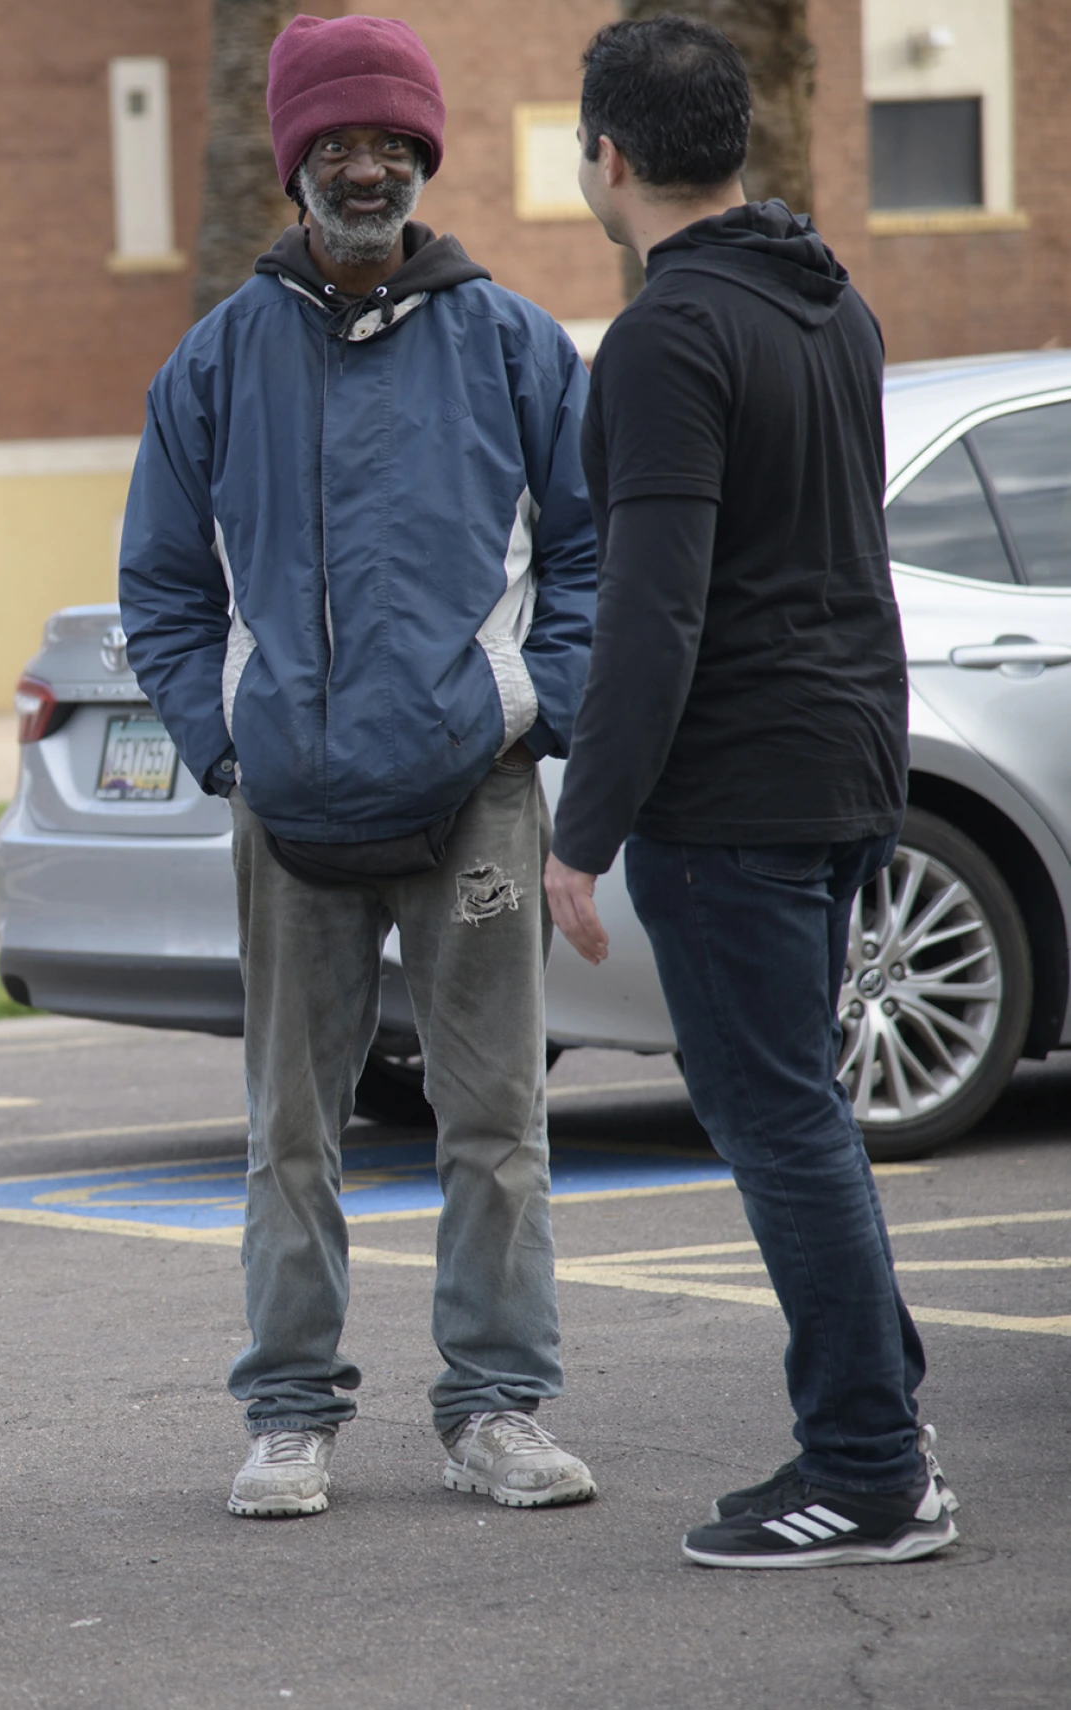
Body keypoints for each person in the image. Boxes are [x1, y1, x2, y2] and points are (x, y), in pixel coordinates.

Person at [120, 13, 598, 1518]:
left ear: (426, 156)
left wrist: (524, 705)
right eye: (336, 141)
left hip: (475, 798)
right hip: (292, 813)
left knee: (497, 1122)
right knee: (290, 1132)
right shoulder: (214, 361)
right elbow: (162, 590)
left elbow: (593, 555)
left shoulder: (514, 341)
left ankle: (499, 1405)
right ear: (294, 164)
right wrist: (227, 742)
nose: (367, 164)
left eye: (392, 140)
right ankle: (288, 1412)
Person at [544, 16, 959, 1568]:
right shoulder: (825, 301)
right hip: (848, 766)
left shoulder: (663, 337)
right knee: (806, 1116)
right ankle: (884, 1440)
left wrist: (585, 827)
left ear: (612, 155)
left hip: (738, 796)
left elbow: (657, 604)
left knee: (779, 1121)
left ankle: (865, 1468)